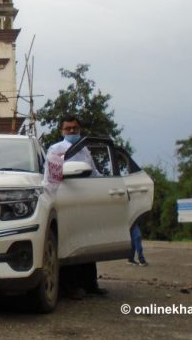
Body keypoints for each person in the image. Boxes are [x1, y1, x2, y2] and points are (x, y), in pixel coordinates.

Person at [46, 114, 108, 299]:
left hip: (87, 201)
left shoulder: (85, 150)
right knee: (71, 244)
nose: (72, 131)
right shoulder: (56, 149)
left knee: (89, 243)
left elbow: (94, 173)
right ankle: (70, 287)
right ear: (62, 131)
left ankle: (91, 284)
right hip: (67, 201)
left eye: (75, 128)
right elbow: (52, 177)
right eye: (68, 129)